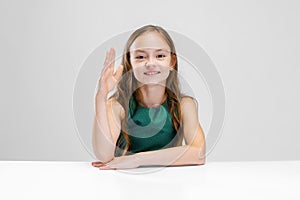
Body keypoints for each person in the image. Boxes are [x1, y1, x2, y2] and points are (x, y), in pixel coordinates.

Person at [91, 25, 206, 170]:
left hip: (171, 182)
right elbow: (104, 155)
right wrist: (101, 96)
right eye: (140, 57)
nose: (151, 63)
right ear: (130, 63)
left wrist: (138, 159)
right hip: (125, 183)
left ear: (172, 62)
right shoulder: (117, 105)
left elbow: (199, 153)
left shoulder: (184, 105)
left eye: (160, 56)